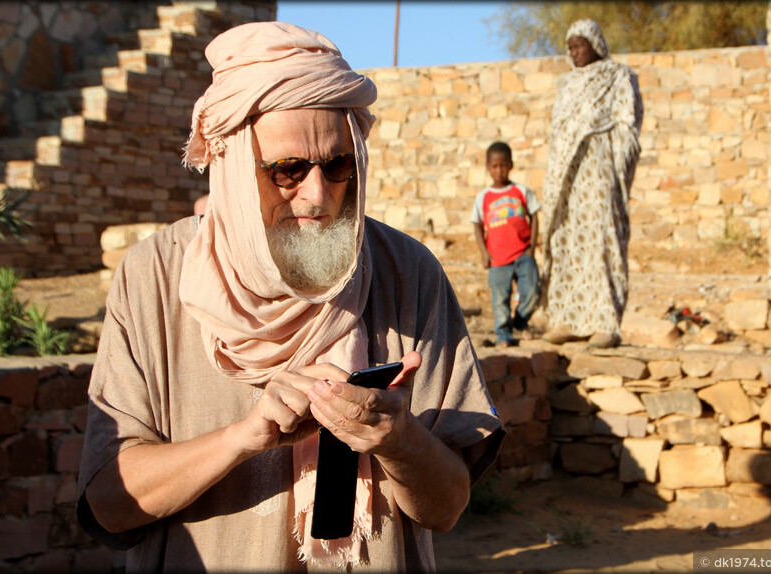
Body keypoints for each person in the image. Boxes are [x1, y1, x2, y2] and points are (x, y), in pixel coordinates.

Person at [76, 22, 504, 572]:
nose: (318, 195)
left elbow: (446, 507)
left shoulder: (408, 274)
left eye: (337, 164)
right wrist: (241, 439)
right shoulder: (153, 279)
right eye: (288, 169)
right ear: (230, 166)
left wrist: (398, 441)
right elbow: (110, 505)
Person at [539, 19, 643, 349]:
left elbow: (629, 121)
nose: (572, 51)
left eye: (578, 44)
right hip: (566, 177)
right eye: (569, 45)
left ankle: (605, 322)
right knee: (566, 239)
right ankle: (569, 317)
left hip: (599, 170)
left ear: (595, 43)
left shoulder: (618, 75)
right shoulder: (569, 83)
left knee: (602, 238)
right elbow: (560, 130)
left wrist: (613, 160)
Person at [470, 141, 541, 348]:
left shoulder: (521, 191)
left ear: (511, 165)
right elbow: (477, 224)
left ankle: (520, 321)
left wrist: (532, 247)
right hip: (498, 259)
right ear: (488, 167)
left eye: (503, 165)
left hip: (523, 254)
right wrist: (484, 253)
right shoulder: (483, 197)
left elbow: (534, 216)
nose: (498, 170)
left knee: (533, 291)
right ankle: (503, 335)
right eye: (494, 166)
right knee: (500, 300)